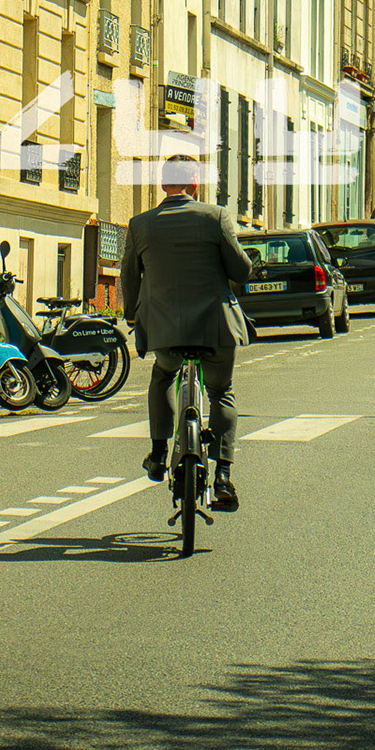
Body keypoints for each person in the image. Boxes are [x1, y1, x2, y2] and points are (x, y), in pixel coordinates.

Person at [121, 155, 253, 512]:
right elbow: (240, 271)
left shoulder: (140, 224)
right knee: (221, 391)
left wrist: (131, 315)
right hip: (215, 327)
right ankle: (223, 475)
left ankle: (158, 453)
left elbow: (129, 277)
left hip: (165, 330)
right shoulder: (216, 217)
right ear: (195, 183)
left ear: (163, 184)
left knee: (163, 375)